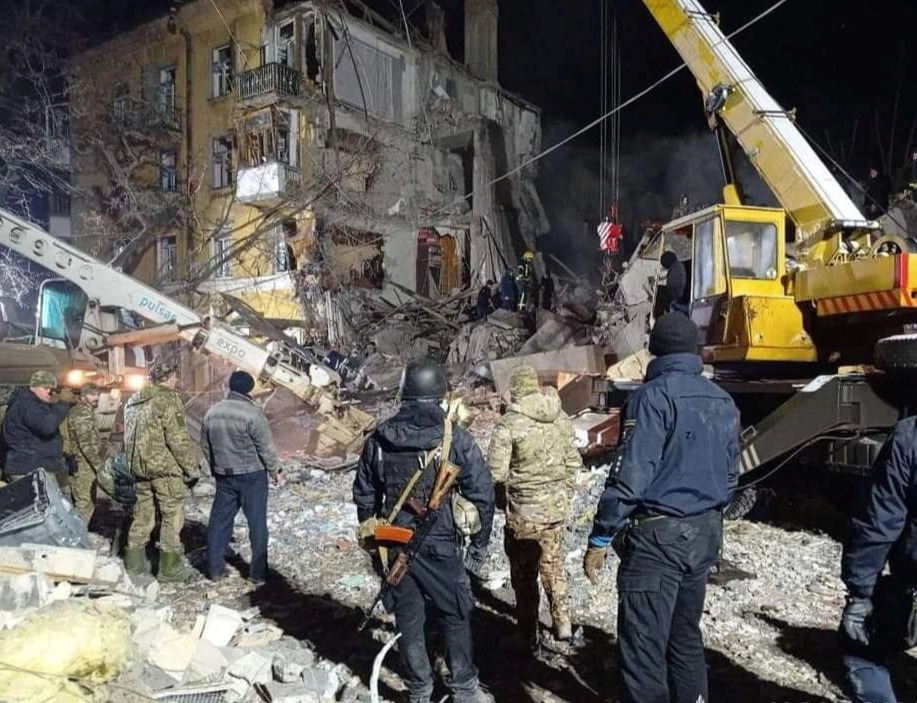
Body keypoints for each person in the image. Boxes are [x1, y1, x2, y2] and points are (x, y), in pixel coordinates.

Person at [583, 312, 740, 703]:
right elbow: (732, 476)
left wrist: (601, 536)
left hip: (657, 541)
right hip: (705, 535)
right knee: (685, 638)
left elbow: (631, 474)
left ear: (656, 351)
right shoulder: (723, 401)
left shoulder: (651, 398)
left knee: (644, 651)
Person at [353, 358, 495, 703]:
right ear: (440, 396)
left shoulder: (380, 438)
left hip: (394, 543)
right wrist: (478, 548)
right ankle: (464, 688)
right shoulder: (454, 437)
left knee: (408, 620)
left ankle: (419, 689)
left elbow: (365, 496)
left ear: (404, 394)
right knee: (456, 613)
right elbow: (483, 494)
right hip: (440, 544)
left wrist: (377, 546)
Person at [487, 364, 582, 650]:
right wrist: (562, 493)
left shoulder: (509, 424)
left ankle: (527, 635)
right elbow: (574, 463)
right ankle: (563, 623)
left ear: (515, 389)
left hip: (524, 513)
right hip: (556, 509)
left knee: (525, 574)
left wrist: (500, 500)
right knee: (553, 564)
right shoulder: (560, 416)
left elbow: (495, 472)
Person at [838, 415, 917, 702]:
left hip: (910, 577)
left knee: (862, 645)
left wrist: (859, 593)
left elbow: (879, 521)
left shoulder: (910, 435)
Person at [202, 371, 282, 585]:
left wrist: (215, 467)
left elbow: (205, 445)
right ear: (249, 389)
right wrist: (275, 471)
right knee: (256, 523)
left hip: (224, 476)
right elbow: (265, 448)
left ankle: (214, 570)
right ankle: (257, 574)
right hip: (252, 476)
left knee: (219, 523)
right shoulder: (253, 414)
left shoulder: (212, 412)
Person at [123, 362, 200, 583]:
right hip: (163, 469)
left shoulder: (134, 400)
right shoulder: (168, 398)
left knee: (143, 515)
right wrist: (191, 468)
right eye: (176, 376)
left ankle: (134, 565)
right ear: (169, 377)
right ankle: (170, 570)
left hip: (139, 468)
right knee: (172, 516)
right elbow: (177, 438)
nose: (177, 380)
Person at [1, 370, 74, 490]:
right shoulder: (27, 404)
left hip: (37, 467)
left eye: (52, 389)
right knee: (41, 506)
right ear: (33, 387)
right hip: (27, 469)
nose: (50, 391)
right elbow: (47, 426)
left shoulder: (34, 403)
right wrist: (63, 403)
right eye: (46, 387)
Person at [65, 383, 106, 524]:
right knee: (84, 506)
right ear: (83, 396)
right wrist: (100, 467)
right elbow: (86, 444)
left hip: (84, 465)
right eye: (92, 394)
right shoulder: (81, 414)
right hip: (83, 466)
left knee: (87, 503)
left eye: (98, 394)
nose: (97, 397)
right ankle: (77, 540)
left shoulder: (86, 411)